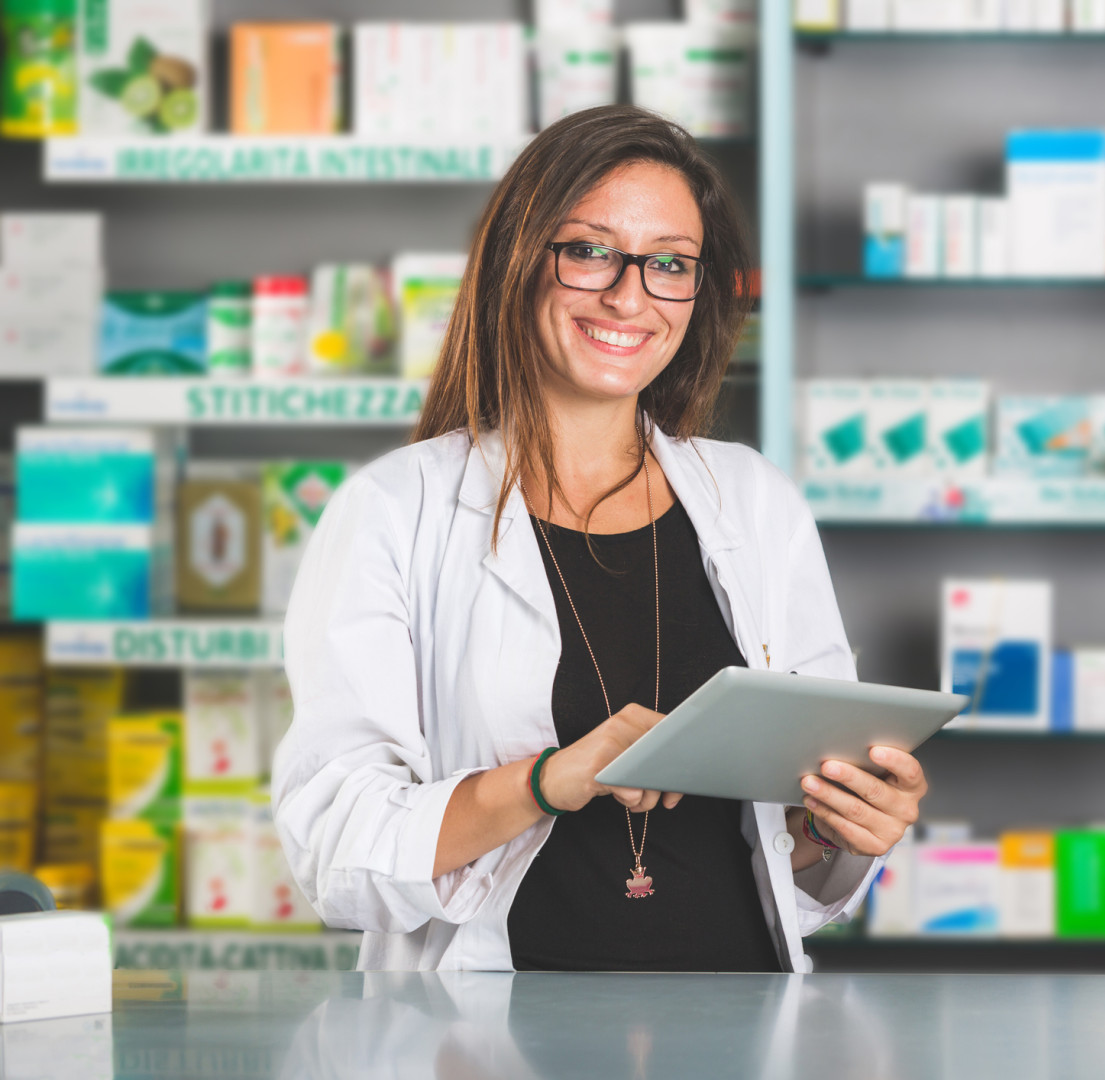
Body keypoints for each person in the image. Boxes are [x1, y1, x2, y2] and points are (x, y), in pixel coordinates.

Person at [272, 105, 929, 973]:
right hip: (491, 1038)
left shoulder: (754, 503)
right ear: (518, 258)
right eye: (589, 251)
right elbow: (334, 850)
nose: (630, 296)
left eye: (670, 264)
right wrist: (544, 782)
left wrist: (846, 825)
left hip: (739, 1027)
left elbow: (785, 853)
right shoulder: (396, 509)